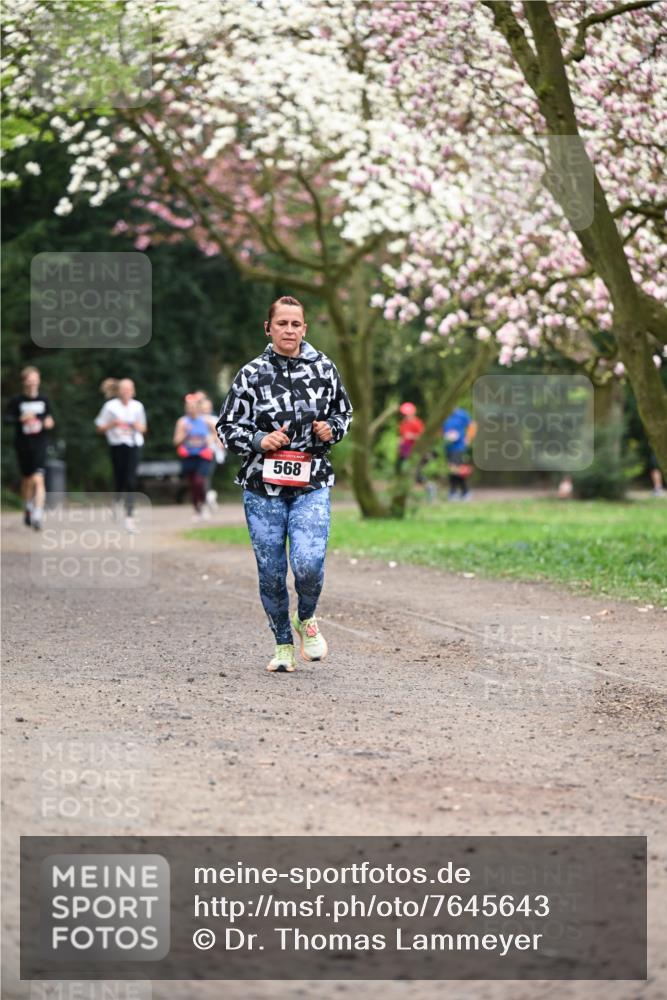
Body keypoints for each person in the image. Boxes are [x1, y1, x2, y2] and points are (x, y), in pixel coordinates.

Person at [216, 294, 352, 673]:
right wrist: (259, 441)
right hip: (262, 487)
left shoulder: (324, 368)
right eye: (282, 323)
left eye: (296, 324)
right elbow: (226, 427)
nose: (289, 330)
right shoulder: (251, 374)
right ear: (269, 327)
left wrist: (332, 429)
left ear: (304, 328)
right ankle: (282, 645)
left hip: (312, 481)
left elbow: (343, 412)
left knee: (308, 564)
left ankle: (305, 617)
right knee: (272, 571)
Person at [4, 366, 55, 530]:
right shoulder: (17, 400)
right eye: (29, 379)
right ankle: (28, 507)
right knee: (27, 481)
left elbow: (50, 419)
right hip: (23, 445)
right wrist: (20, 418)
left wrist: (49, 422)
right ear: (24, 381)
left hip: (40, 444)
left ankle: (38, 515)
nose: (32, 382)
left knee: (39, 479)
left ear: (39, 380)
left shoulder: (44, 400)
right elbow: (6, 419)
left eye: (35, 379)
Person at [94, 378, 146, 532]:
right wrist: (112, 424)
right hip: (117, 446)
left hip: (134, 444)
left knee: (131, 480)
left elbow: (143, 428)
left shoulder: (138, 406)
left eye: (129, 389)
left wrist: (137, 426)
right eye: (123, 389)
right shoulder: (110, 407)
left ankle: (129, 516)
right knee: (120, 479)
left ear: (133, 390)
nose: (126, 392)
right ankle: (116, 501)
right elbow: (99, 427)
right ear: (118, 391)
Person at [174, 393, 215, 520]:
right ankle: (197, 510)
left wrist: (211, 439)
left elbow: (216, 434)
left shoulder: (207, 420)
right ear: (186, 408)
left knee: (199, 481)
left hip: (203, 456)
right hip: (189, 456)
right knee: (192, 485)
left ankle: (203, 504)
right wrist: (185, 433)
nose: (191, 409)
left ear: (198, 407)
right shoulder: (182, 422)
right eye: (189, 407)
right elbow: (176, 441)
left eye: (194, 406)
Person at [443, 406, 476, 500]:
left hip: (458, 447)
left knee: (455, 469)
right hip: (448, 447)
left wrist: (468, 438)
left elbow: (472, 425)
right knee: (454, 470)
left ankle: (457, 492)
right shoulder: (444, 415)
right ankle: (463, 492)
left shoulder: (461, 414)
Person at [200, 393, 226, 511]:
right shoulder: (195, 419)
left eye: (207, 407)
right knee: (202, 477)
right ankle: (208, 496)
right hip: (198, 452)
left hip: (211, 452)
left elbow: (219, 434)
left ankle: (207, 497)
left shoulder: (214, 419)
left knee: (206, 476)